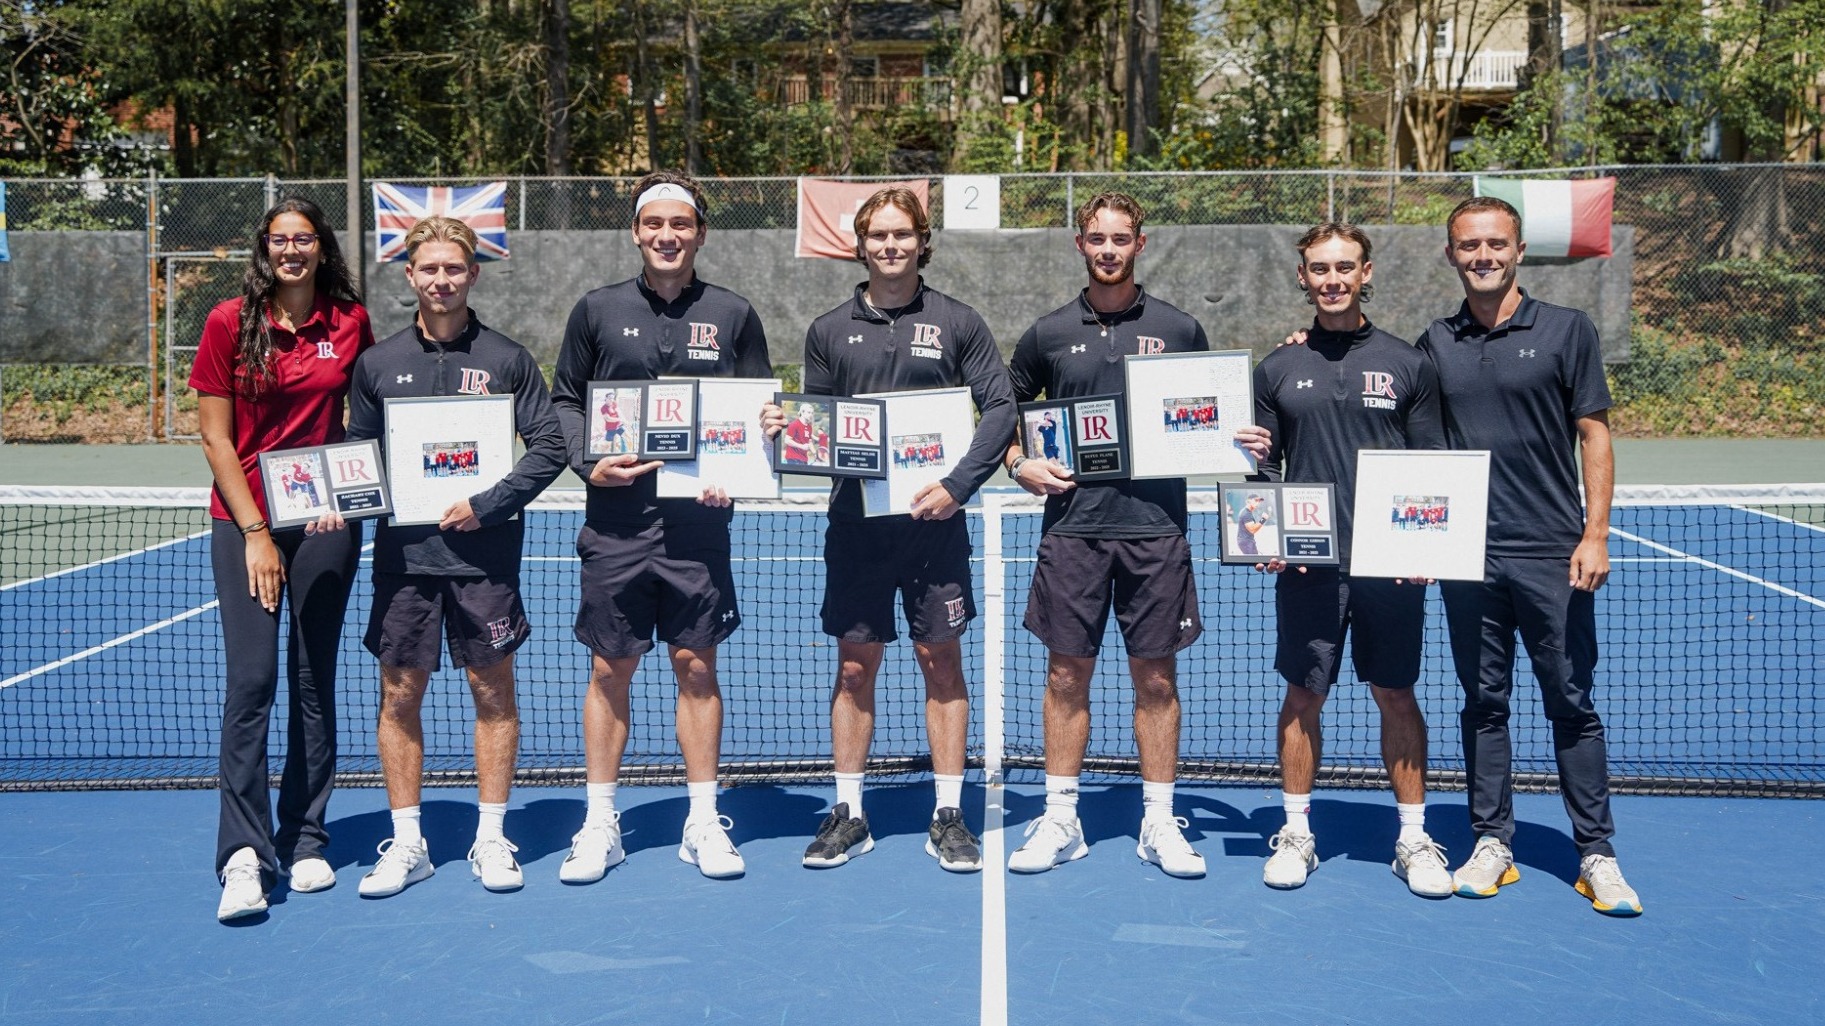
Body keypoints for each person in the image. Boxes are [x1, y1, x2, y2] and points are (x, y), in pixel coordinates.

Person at [1002, 192, 1269, 878]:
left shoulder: (1180, 329)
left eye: (1121, 238)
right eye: (1097, 238)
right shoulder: (1048, 332)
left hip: (1156, 533)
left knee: (1155, 678)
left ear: (1140, 244)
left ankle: (1158, 819)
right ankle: (1061, 817)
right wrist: (1017, 460)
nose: (1109, 249)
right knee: (1066, 675)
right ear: (1079, 244)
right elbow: (1003, 410)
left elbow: (1216, 421)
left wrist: (1245, 456)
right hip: (1072, 532)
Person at [761, 186, 1015, 873]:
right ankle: (848, 812)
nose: (890, 246)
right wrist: (786, 429)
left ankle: (947, 813)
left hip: (935, 526)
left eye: (902, 235)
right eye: (878, 236)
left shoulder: (959, 321)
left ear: (921, 241)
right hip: (856, 527)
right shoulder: (826, 329)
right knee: (854, 664)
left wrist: (956, 486)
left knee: (940, 661)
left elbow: (999, 408)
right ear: (861, 244)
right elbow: (818, 423)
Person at [322, 216, 566, 898]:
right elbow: (361, 462)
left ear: (472, 274)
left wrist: (486, 503)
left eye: (453, 269)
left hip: (485, 562)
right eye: (428, 269)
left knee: (493, 691)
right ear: (409, 276)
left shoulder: (508, 359)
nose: (441, 280)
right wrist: (334, 499)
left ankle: (491, 837)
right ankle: (408, 844)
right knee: (399, 696)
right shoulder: (377, 365)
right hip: (404, 562)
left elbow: (549, 448)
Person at [549, 171, 772, 882]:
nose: (667, 236)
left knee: (695, 665)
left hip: (697, 526)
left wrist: (760, 441)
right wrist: (590, 462)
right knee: (610, 667)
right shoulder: (596, 309)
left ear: (699, 232)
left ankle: (702, 821)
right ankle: (599, 823)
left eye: (680, 224)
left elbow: (761, 410)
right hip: (615, 525)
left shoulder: (735, 313)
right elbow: (564, 402)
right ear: (637, 232)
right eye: (654, 225)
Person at [1426, 197, 1641, 916]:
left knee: (1570, 702)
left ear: (1517, 250)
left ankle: (1596, 854)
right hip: (1466, 558)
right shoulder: (1435, 341)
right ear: (1451, 254)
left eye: (1494, 244)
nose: (1481, 255)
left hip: (1553, 553)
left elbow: (1594, 433)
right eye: (1467, 245)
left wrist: (1594, 532)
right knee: (1482, 703)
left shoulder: (1565, 330)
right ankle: (1491, 842)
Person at [1252, 222, 1451, 897]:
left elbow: (1430, 469)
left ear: (1366, 272)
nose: (1331, 279)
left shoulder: (1407, 363)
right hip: (1309, 568)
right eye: (1318, 268)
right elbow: (1259, 470)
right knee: (1303, 692)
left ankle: (1413, 838)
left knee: (1394, 692)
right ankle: (1298, 833)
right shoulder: (1277, 366)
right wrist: (1263, 536)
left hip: (1388, 566)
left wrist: (1425, 546)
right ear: (1302, 277)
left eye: (1344, 267)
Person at [190, 198, 374, 921]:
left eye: (304, 239)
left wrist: (353, 494)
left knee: (312, 679)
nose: (292, 251)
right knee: (254, 680)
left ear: (322, 248)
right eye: (279, 240)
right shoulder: (228, 323)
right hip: (246, 522)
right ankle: (243, 853)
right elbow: (214, 439)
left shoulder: (350, 324)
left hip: (326, 521)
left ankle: (304, 840)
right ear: (264, 249)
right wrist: (257, 532)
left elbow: (369, 418)